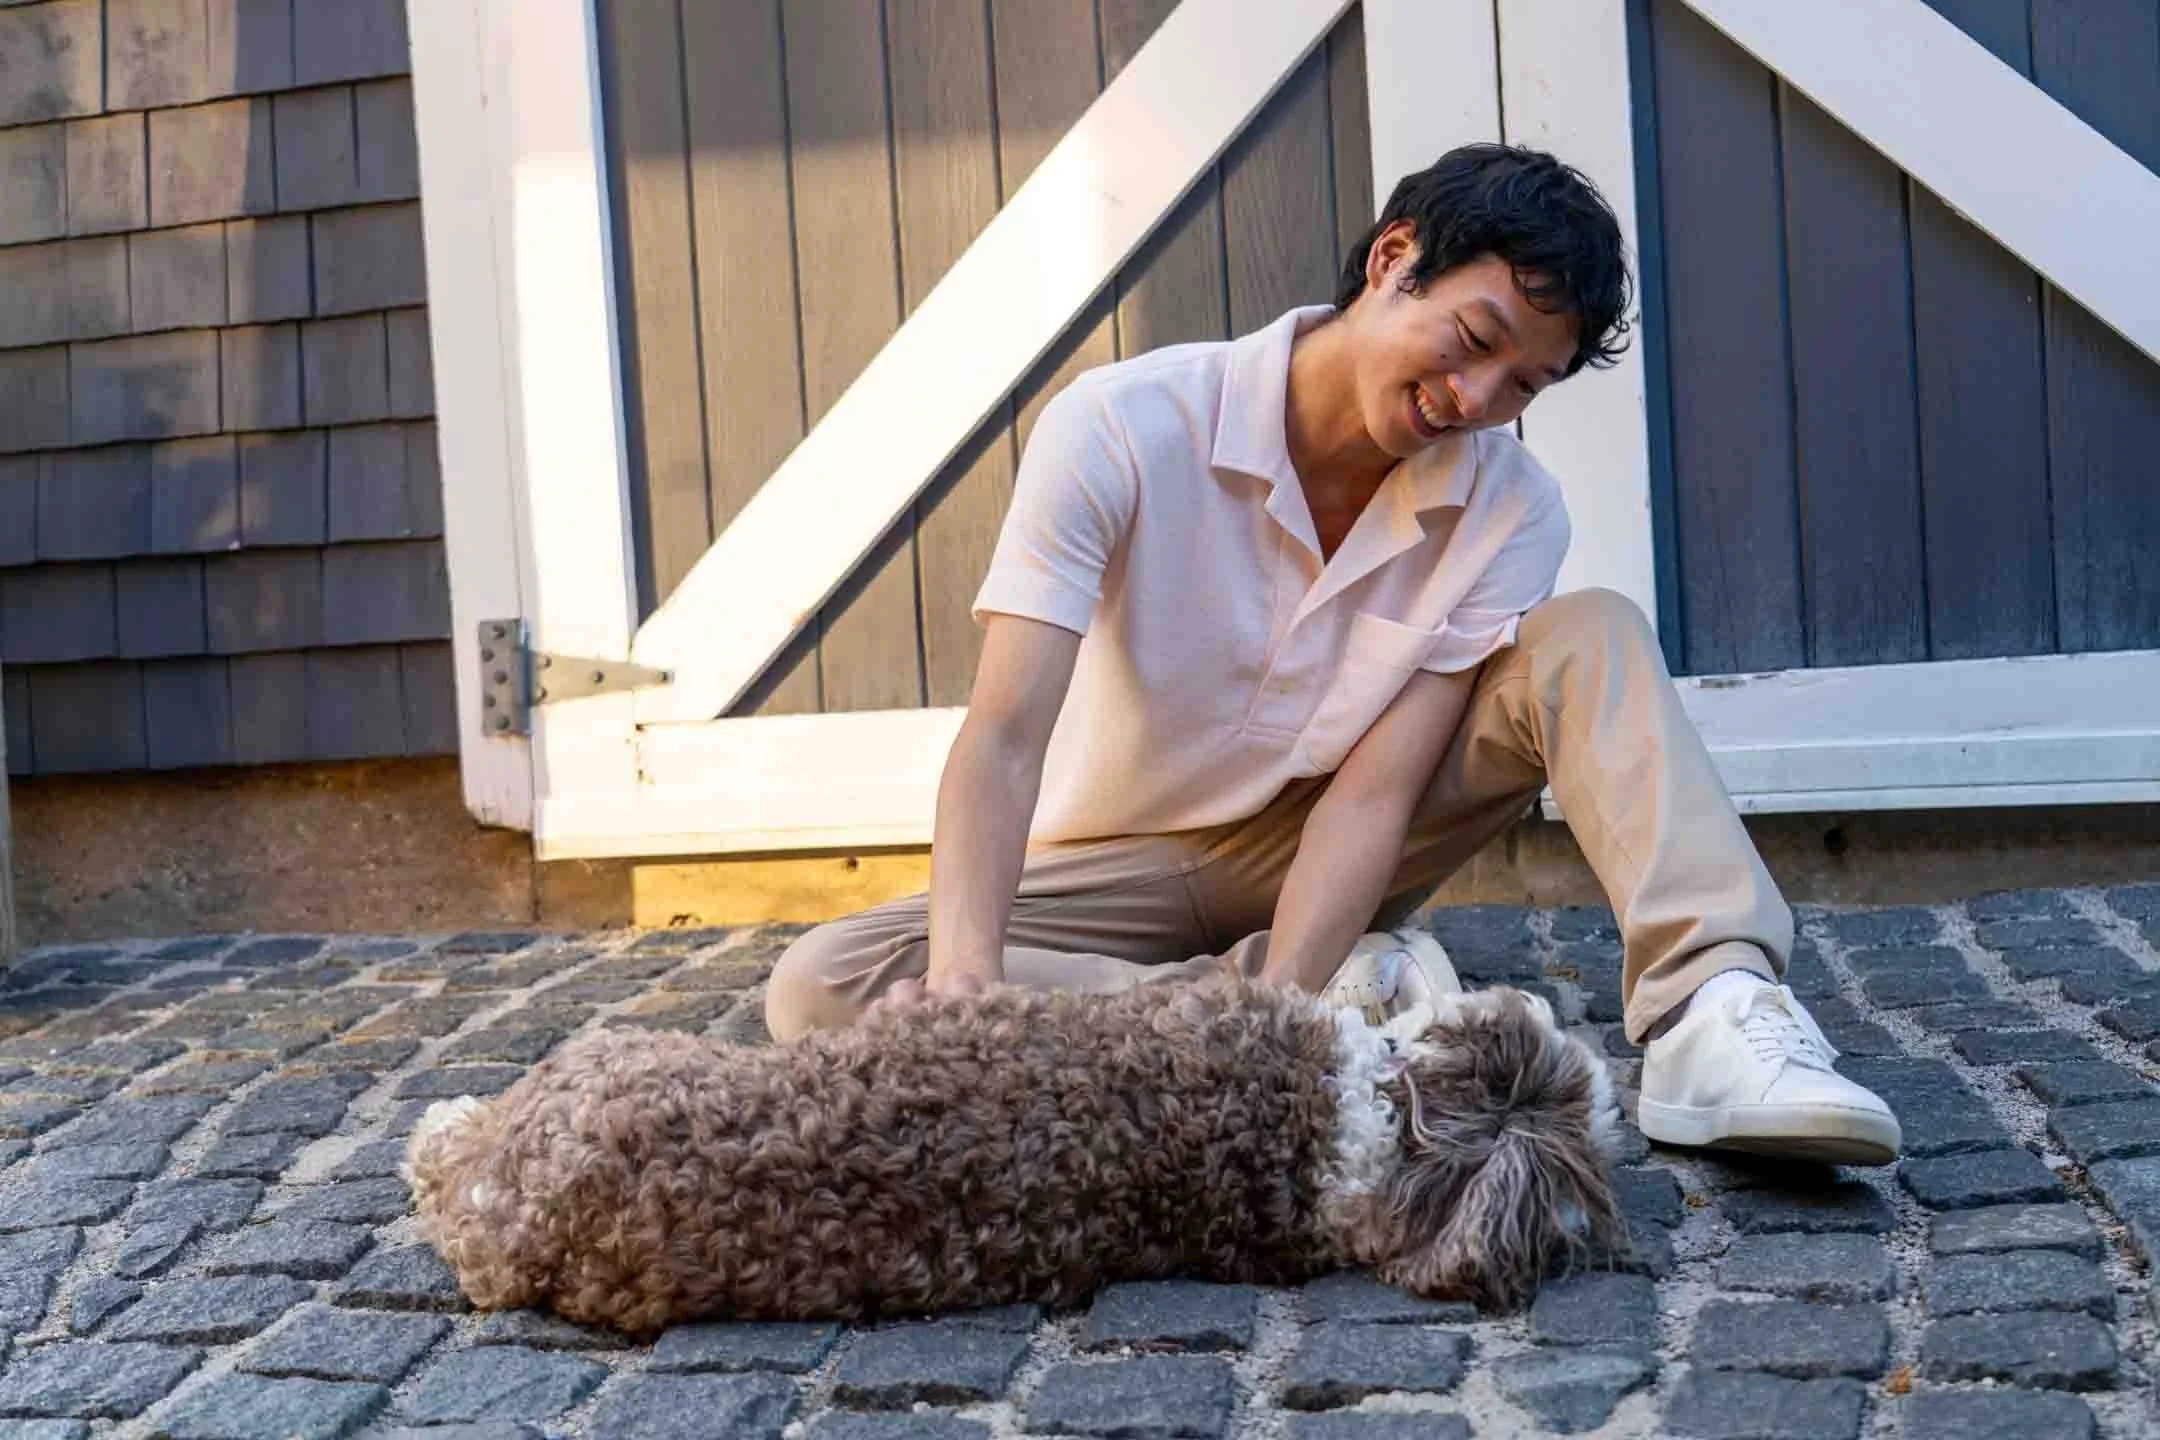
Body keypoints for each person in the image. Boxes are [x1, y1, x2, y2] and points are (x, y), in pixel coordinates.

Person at [765, 143, 1900, 1166]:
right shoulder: (1118, 427)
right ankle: (1324, 997)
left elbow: (1373, 798)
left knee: (1590, 633)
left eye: (1523, 388)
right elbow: (1005, 737)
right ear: (1394, 259)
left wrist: (1279, 1029)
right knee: (824, 984)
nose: (1476, 400)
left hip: (1332, 835)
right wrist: (968, 992)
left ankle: (1713, 1007)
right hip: (1113, 865)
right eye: (1474, 342)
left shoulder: (1510, 511)